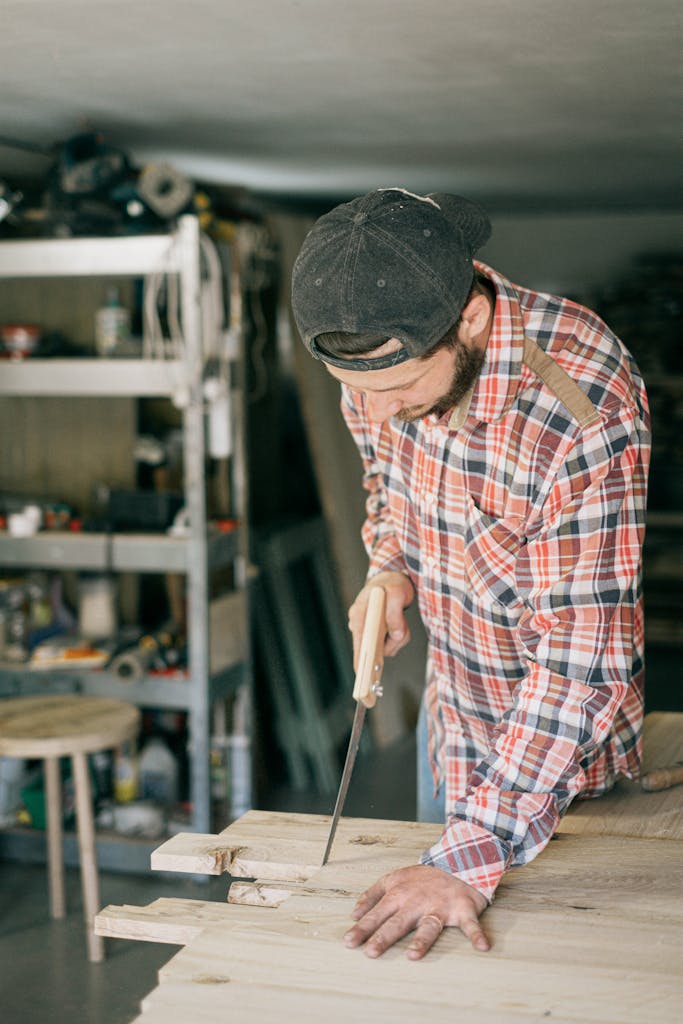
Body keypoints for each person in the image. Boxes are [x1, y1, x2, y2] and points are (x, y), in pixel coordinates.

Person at [290, 187, 650, 961]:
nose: (374, 412)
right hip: (452, 719)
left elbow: (583, 659)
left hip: (557, 762)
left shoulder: (580, 403)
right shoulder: (373, 365)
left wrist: (473, 845)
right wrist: (386, 568)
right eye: (355, 394)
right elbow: (386, 478)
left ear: (472, 321)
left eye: (395, 391)